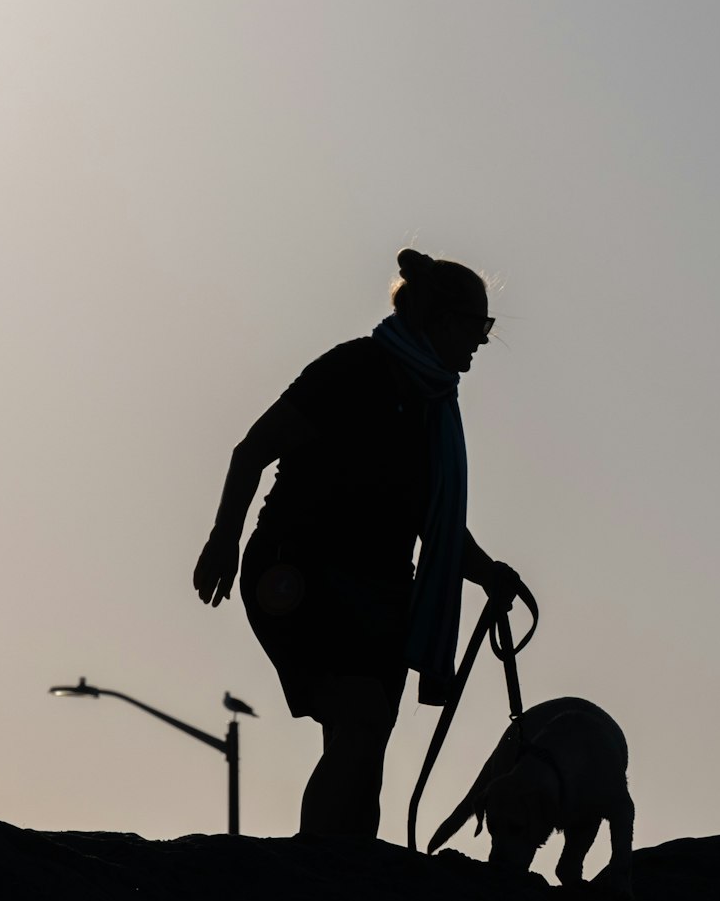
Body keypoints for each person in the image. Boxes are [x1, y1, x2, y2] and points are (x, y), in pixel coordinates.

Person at [193, 248, 522, 840]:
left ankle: (349, 874)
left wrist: (487, 572)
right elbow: (252, 453)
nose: (481, 344)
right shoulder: (353, 370)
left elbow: (434, 521)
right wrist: (224, 539)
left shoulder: (434, 407)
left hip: (380, 588)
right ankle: (319, 867)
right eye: (478, 328)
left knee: (364, 739)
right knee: (361, 720)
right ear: (439, 320)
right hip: (299, 572)